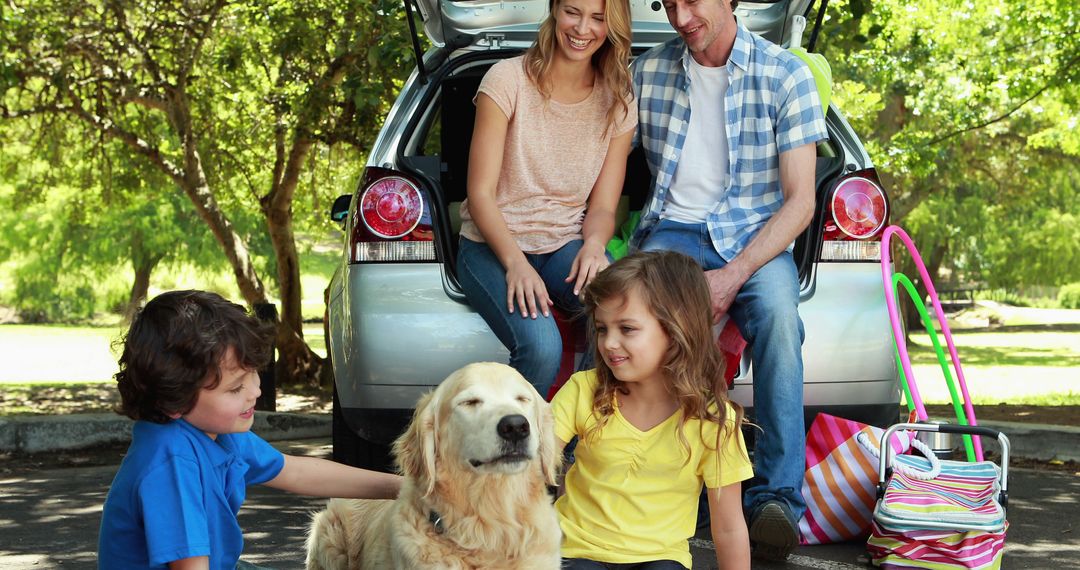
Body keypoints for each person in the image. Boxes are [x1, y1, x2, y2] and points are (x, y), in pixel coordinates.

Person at [629, 0, 829, 560]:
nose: (681, 17)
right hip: (672, 232)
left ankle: (776, 502)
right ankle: (623, 480)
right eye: (669, 4)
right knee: (627, 323)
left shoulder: (785, 74)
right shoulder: (646, 73)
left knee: (780, 324)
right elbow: (597, 151)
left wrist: (732, 277)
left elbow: (801, 203)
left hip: (756, 239)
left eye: (692, 1)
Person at [97, 290, 402, 569]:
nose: (254, 391)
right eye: (235, 388)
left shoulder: (219, 433)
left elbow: (296, 472)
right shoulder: (172, 462)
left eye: (253, 373)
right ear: (173, 399)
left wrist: (401, 487)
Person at [457, 0, 637, 398]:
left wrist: (594, 245)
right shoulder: (506, 80)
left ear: (613, 25)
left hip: (563, 245)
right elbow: (480, 193)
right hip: (489, 245)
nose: (583, 28)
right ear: (554, 9)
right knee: (542, 347)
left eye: (598, 18)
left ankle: (575, 450)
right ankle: (516, 451)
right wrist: (516, 264)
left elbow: (604, 206)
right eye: (573, 12)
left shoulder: (618, 99)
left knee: (620, 325)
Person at [553, 250, 754, 570]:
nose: (609, 343)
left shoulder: (712, 419)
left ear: (676, 331)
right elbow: (530, 462)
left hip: (661, 557)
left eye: (627, 329)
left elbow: (729, 528)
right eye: (603, 328)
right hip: (577, 550)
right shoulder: (583, 390)